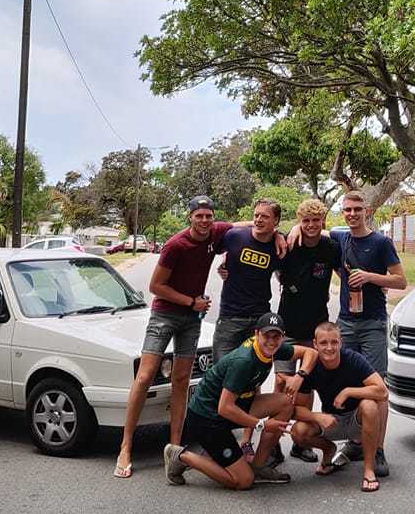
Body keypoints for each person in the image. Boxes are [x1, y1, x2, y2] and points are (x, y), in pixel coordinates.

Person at [115, 196, 283, 479]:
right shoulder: (175, 245)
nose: (204, 221)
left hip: (192, 319)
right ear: (190, 217)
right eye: (199, 216)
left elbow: (247, 225)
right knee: (144, 376)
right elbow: (156, 286)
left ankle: (175, 446)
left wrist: (276, 232)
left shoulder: (217, 233)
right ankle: (126, 446)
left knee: (181, 380)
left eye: (208, 216)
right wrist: (190, 302)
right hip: (165, 315)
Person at [163, 313, 318, 489]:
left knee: (285, 403)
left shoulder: (273, 348)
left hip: (232, 407)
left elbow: (311, 353)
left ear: (282, 337)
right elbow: (224, 408)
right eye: (266, 335)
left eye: (276, 336)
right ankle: (180, 456)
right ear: (256, 333)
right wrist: (261, 425)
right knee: (243, 481)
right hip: (207, 418)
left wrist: (299, 376)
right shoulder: (244, 361)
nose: (271, 341)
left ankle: (259, 467)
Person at [332, 190, 404, 476]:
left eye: (357, 209)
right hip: (346, 323)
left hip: (372, 323)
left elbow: (400, 281)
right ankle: (355, 442)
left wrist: (371, 277)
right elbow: (312, 227)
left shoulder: (381, 243)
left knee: (377, 387)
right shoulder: (340, 238)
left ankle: (379, 449)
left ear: (367, 211)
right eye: (347, 210)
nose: (352, 214)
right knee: (349, 382)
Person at [270, 198, 341, 464]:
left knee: (305, 384)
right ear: (299, 222)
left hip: (316, 328)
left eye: (316, 220)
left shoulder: (331, 247)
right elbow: (271, 262)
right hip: (287, 326)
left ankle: (300, 443)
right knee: (281, 383)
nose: (311, 225)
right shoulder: (289, 244)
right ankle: (272, 443)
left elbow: (345, 272)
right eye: (306, 221)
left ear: (323, 221)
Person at [289, 322, 389, 493]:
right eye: (323, 343)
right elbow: (295, 410)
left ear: (341, 342)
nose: (329, 348)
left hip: (358, 421)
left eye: (334, 342)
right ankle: (329, 449)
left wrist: (348, 392)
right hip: (331, 420)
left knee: (370, 405)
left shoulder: (353, 359)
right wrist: (317, 417)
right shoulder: (311, 367)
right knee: (297, 431)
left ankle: (369, 469)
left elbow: (383, 391)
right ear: (315, 344)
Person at [212, 198, 288, 362]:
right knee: (222, 369)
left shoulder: (279, 247)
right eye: (256, 215)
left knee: (253, 370)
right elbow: (216, 235)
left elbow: (283, 274)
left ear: (276, 221)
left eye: (265, 217)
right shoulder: (234, 237)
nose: (259, 220)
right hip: (230, 317)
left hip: (259, 318)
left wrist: (278, 234)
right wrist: (223, 264)